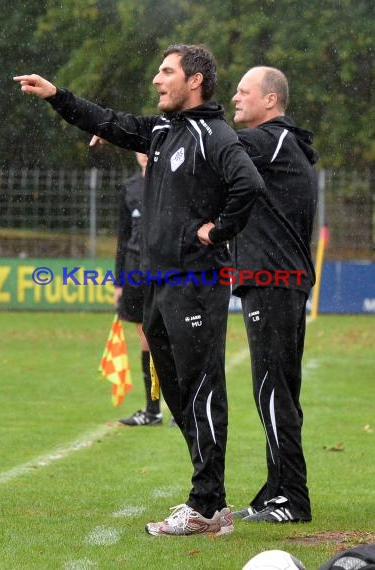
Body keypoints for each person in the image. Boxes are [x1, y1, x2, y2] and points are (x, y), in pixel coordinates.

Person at [13, 43, 265, 537]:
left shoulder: (214, 135)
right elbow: (108, 120)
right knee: (174, 393)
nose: (156, 79)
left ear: (194, 80)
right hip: (158, 285)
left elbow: (249, 185)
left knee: (202, 391)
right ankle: (209, 497)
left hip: (196, 285)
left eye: (166, 71)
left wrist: (217, 231)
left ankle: (207, 505)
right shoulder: (162, 132)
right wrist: (56, 95)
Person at [229, 66, 319, 523]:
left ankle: (292, 499)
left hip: (274, 281)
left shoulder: (271, 141)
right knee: (276, 388)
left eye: (244, 91)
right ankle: (275, 490)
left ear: (270, 100)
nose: (235, 97)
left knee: (272, 389)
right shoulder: (277, 144)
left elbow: (212, 146)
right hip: (276, 281)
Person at [110, 149, 163, 426]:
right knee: (145, 338)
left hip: (165, 270)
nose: (145, 154)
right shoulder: (129, 188)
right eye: (140, 148)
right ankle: (152, 409)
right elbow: (123, 235)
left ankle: (184, 407)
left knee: (174, 337)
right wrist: (118, 280)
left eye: (150, 147)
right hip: (134, 270)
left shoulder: (170, 181)